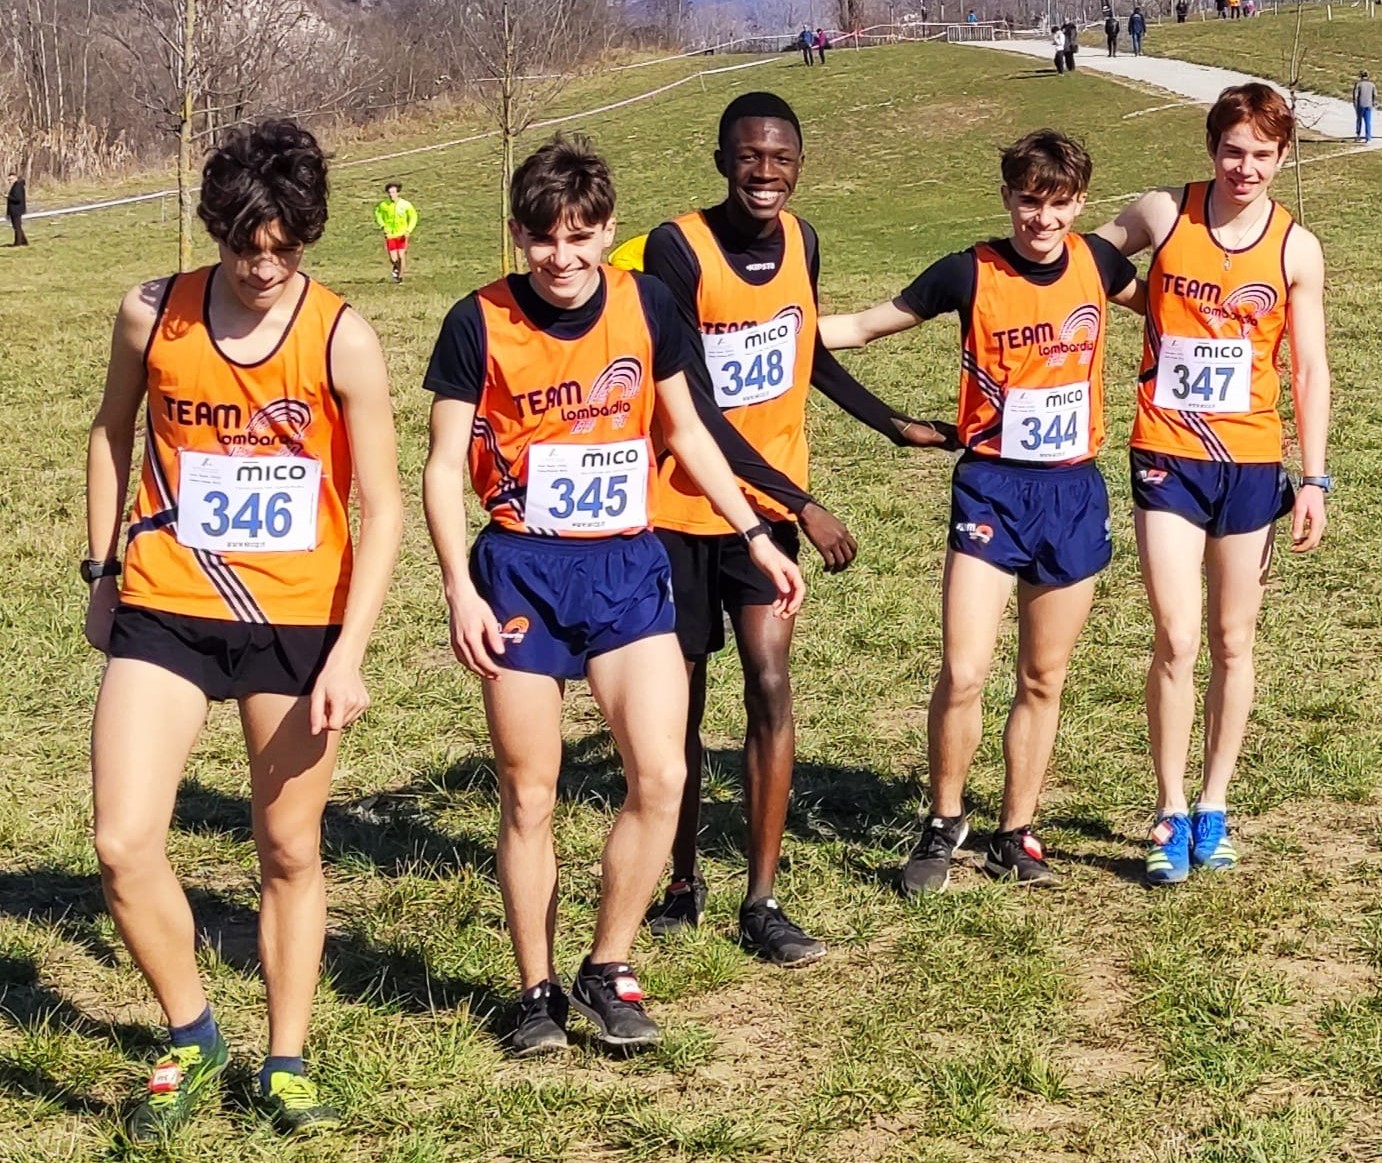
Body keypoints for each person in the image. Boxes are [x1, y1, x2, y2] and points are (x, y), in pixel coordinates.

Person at [422, 133, 805, 1055]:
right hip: (521, 571)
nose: (561, 257)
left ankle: (608, 964)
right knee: (531, 792)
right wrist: (457, 589)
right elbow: (439, 465)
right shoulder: (477, 320)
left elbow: (687, 430)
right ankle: (536, 991)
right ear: (518, 234)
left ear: (606, 231)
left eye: (579, 236)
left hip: (628, 568)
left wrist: (755, 529)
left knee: (662, 774)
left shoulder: (645, 303)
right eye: (542, 238)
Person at [84, 120, 403, 1141]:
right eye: (245, 246)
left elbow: (384, 506)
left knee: (287, 846)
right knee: (122, 841)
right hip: (168, 603)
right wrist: (101, 569)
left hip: (296, 619)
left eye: (285, 248)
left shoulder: (341, 335)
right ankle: (192, 1032)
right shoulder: (152, 312)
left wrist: (350, 652)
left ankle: (286, 1059)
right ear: (215, 229)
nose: (264, 267)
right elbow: (111, 432)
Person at [640, 92, 951, 964]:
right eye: (749, 156)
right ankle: (680, 882)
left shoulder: (803, 241)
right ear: (721, 160)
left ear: (800, 164)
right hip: (679, 508)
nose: (765, 172)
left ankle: (762, 899)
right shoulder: (676, 250)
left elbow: (803, 349)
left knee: (770, 683)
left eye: (781, 158)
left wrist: (893, 424)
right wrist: (802, 502)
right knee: (681, 702)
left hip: (768, 515)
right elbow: (692, 406)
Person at [818, 130, 1140, 894]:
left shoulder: (1099, 263)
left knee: (1043, 675)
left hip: (1071, 492)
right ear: (1007, 197)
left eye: (1058, 204)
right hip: (993, 488)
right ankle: (944, 820)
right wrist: (757, 329)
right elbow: (863, 327)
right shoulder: (969, 271)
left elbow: (1176, 312)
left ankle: (1015, 833)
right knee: (964, 671)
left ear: (1080, 204)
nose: (1042, 218)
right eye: (1029, 201)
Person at [1094, 84, 1331, 886]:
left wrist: (1314, 477)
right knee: (1177, 636)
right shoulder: (1165, 212)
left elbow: (1309, 367)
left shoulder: (1296, 249)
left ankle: (1213, 804)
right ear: (1211, 148)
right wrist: (1149, 302)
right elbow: (1085, 263)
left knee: (1233, 640)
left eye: (1262, 154)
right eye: (1233, 150)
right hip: (1167, 451)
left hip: (1252, 462)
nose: (1245, 168)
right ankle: (1167, 808)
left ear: (1283, 156)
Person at [373, 181, 418, 283]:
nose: (391, 195)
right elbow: (378, 214)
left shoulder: (405, 205)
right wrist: (383, 225)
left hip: (402, 234)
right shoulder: (383, 205)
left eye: (393, 192)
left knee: (401, 256)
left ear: (398, 193)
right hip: (390, 235)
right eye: (389, 192)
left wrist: (409, 230)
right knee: (394, 259)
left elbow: (413, 217)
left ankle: (400, 277)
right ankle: (397, 269)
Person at [6, 171, 27, 246]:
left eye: (11, 180)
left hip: (16, 210)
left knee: (17, 227)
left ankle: (18, 243)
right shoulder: (16, 185)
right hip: (15, 209)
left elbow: (18, 199)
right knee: (17, 226)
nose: (9, 181)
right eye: (9, 180)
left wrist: (8, 197)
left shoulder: (17, 186)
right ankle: (23, 241)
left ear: (15, 178)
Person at [1354, 70, 1375, 143]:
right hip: (1369, 104)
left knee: (1359, 120)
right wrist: (1372, 102)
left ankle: (1358, 135)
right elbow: (1375, 94)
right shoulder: (1372, 84)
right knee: (1368, 121)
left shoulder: (1359, 84)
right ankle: (1368, 138)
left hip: (1360, 104)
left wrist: (1355, 105)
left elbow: (1355, 96)